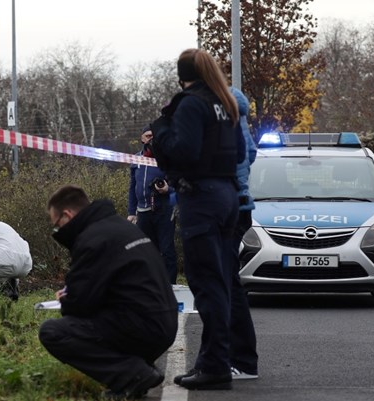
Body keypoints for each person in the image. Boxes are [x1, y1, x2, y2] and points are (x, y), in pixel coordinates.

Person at [150, 48, 245, 390]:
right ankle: (214, 360)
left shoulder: (191, 103)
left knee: (207, 285)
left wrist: (160, 130)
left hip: (202, 199)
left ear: (180, 74)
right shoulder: (225, 103)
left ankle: (215, 366)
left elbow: (183, 152)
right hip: (227, 196)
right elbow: (239, 154)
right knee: (220, 282)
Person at [38, 185, 178, 400]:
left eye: (57, 225)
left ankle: (133, 375)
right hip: (165, 323)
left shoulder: (92, 240)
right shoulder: (122, 227)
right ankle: (137, 369)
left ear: (68, 215)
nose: (58, 231)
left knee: (54, 332)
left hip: (144, 328)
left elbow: (78, 305)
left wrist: (66, 298)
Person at [228, 86, 259, 380]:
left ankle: (241, 359)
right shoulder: (239, 110)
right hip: (243, 203)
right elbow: (250, 153)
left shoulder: (219, 108)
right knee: (229, 282)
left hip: (228, 204)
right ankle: (240, 358)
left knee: (226, 284)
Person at [127, 123, 179, 283]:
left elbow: (179, 183)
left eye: (153, 137)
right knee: (146, 250)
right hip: (143, 211)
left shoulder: (167, 159)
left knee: (166, 249)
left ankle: (170, 286)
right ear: (142, 139)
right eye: (148, 136)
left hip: (164, 209)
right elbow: (132, 187)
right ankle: (150, 284)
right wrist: (131, 211)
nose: (151, 140)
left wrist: (168, 189)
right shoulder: (136, 159)